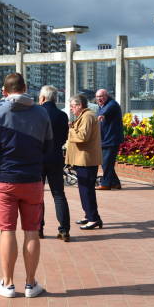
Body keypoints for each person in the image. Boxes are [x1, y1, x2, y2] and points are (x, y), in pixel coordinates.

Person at [0, 73, 52, 299]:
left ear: (4, 91)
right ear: (26, 87)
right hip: (32, 179)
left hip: (4, 180)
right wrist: (38, 173)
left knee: (7, 230)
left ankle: (8, 284)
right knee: (32, 231)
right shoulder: (42, 113)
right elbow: (49, 148)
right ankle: (31, 284)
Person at [38, 86, 71, 242]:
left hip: (38, 158)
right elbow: (65, 137)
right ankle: (64, 230)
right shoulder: (62, 115)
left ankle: (39, 229)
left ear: (43, 98)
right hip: (56, 156)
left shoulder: (36, 113)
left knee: (38, 195)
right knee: (58, 194)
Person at [67, 94, 104, 230]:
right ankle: (89, 215)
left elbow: (83, 137)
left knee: (87, 189)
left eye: (72, 106)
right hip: (83, 159)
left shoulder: (88, 116)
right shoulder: (84, 116)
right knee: (83, 189)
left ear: (79, 105)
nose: (71, 109)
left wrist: (71, 130)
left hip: (87, 160)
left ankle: (93, 218)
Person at [95, 89, 123, 190]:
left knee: (106, 162)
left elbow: (107, 111)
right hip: (104, 139)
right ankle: (115, 183)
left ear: (107, 96)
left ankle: (106, 184)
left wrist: (103, 115)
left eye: (101, 96)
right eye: (97, 97)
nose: (99, 99)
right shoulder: (100, 106)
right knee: (106, 163)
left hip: (112, 139)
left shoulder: (112, 104)